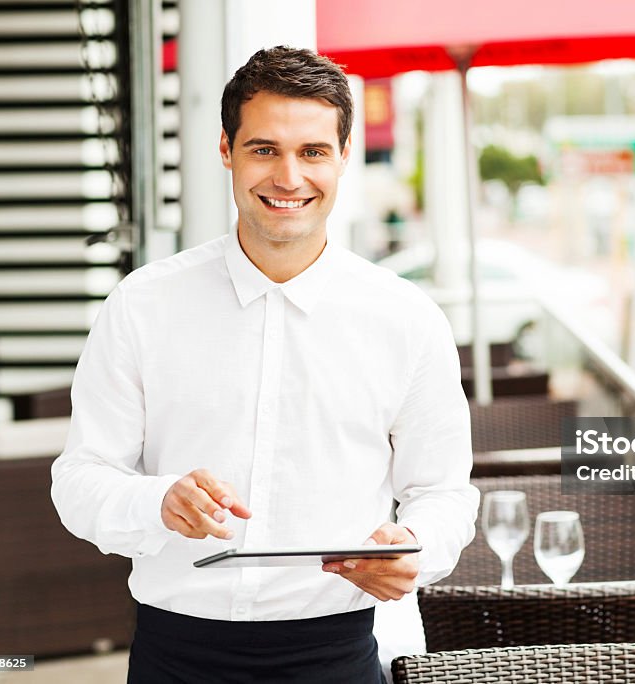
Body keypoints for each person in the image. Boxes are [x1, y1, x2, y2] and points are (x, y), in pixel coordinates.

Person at [51, 46, 479, 683]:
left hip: (337, 655)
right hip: (175, 653)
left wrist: (414, 546)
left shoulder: (406, 318)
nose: (288, 177)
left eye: (312, 152)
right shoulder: (143, 304)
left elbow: (443, 491)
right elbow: (79, 479)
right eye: (264, 149)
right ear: (226, 150)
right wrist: (155, 501)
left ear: (343, 156)